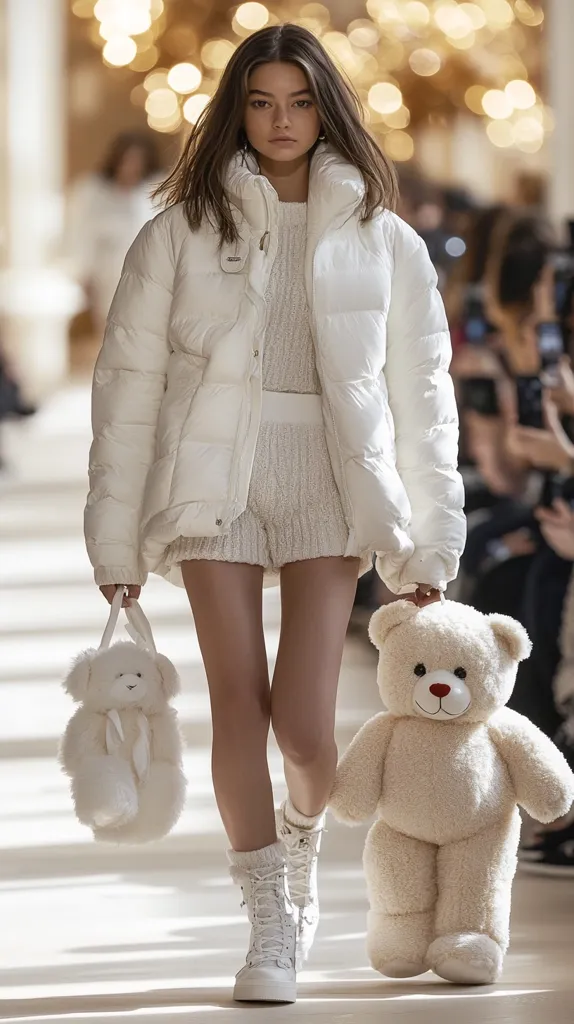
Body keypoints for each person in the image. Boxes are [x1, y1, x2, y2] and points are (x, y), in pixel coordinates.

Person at [84, 24, 465, 1005]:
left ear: (326, 110)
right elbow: (126, 387)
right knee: (237, 706)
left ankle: (298, 849)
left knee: (303, 727)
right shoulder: (178, 231)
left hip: (329, 483)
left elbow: (421, 396)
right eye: (261, 102)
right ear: (236, 112)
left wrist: (429, 539)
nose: (281, 121)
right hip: (215, 484)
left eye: (298, 102)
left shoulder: (385, 239)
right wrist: (115, 538)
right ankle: (269, 921)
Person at [65, 131, 162, 333]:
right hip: (108, 275)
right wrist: (83, 274)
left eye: (138, 161)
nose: (132, 167)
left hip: (147, 275)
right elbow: (82, 235)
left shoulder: (154, 193)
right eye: (128, 160)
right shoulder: (92, 193)